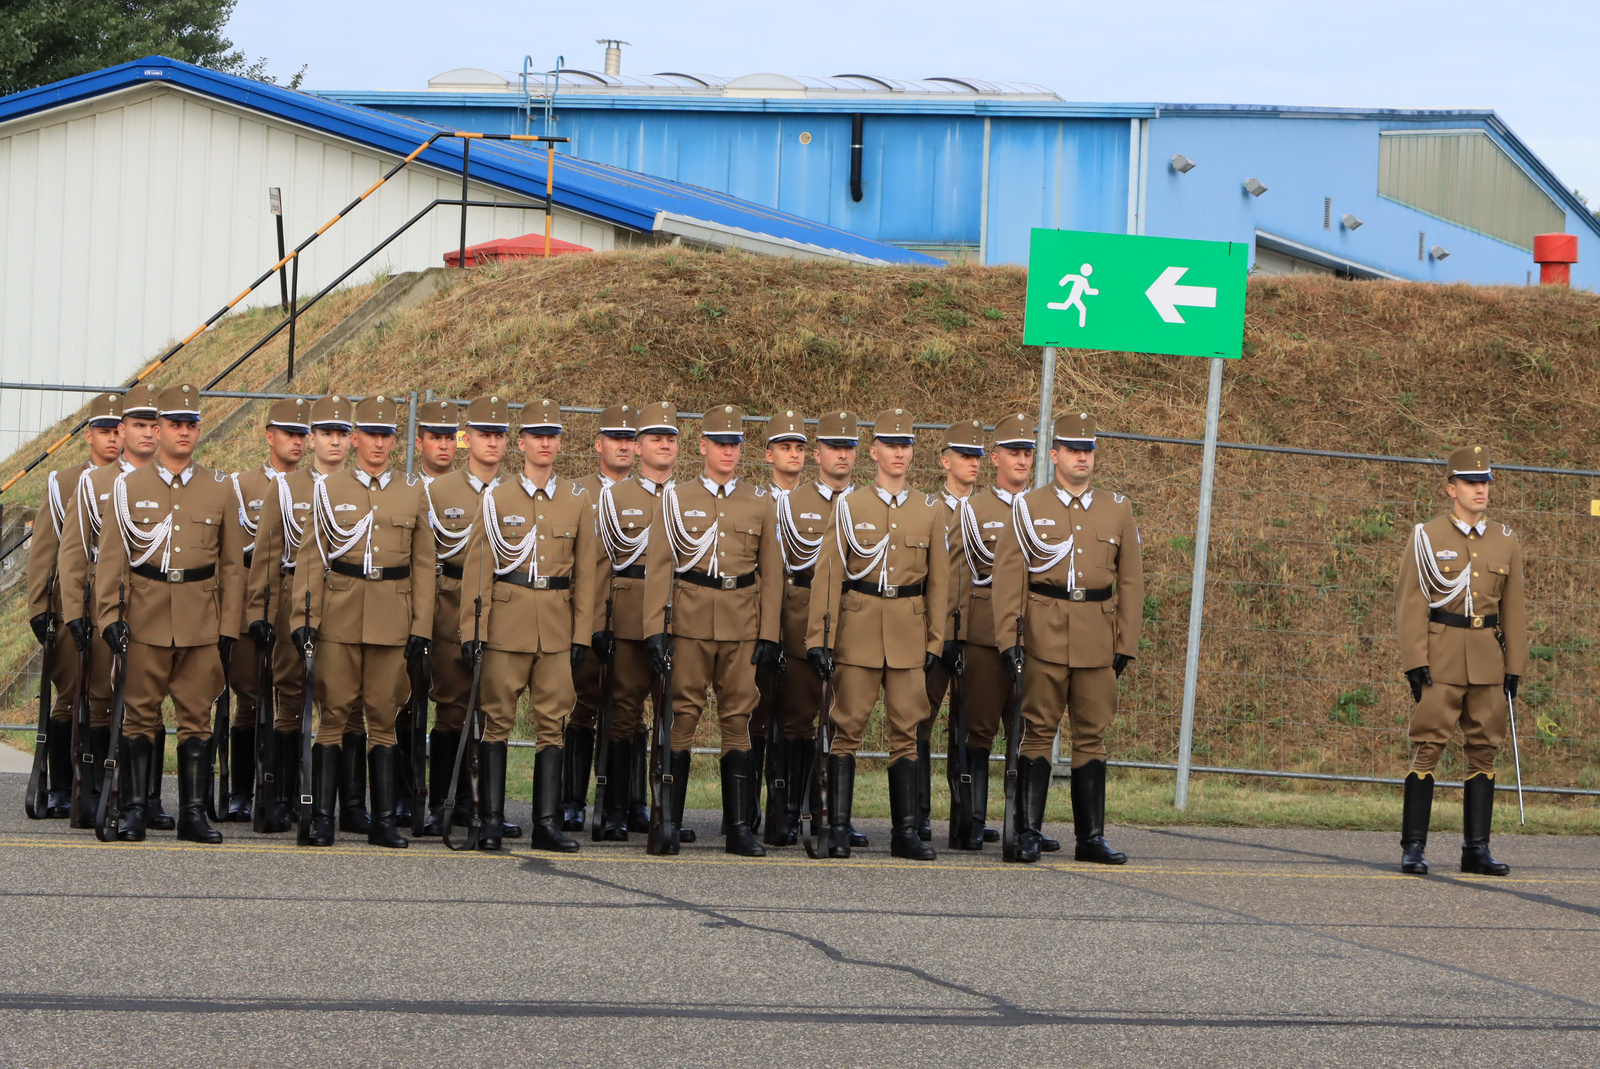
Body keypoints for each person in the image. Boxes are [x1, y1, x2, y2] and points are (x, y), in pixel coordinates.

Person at [95, 383, 247, 844]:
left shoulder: (221, 488)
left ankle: (193, 814)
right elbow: (112, 557)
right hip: (144, 615)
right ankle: (136, 810)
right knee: (140, 715)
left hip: (201, 618)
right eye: (175, 424)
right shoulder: (128, 487)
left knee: (196, 716)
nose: (184, 432)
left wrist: (228, 625)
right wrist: (109, 615)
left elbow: (231, 565)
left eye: (191, 424)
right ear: (156, 429)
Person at [992, 411, 1143, 865]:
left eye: (1088, 450)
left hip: (1098, 634)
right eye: (1073, 450)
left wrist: (1125, 642)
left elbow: (1131, 581)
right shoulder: (1029, 505)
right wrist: (1008, 637)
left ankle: (1091, 838)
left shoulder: (1117, 507)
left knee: (1091, 735)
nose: (1082, 457)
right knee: (1038, 732)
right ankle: (1029, 832)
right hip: (1044, 631)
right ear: (1054, 454)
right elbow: (1009, 577)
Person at [290, 394, 435, 849]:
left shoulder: (413, 491)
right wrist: (304, 616)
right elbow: (311, 558)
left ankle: (384, 822)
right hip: (340, 614)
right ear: (355, 439)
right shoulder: (329, 489)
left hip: (392, 615)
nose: (377, 443)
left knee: (384, 717)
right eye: (369, 434)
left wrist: (422, 625)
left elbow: (424, 564)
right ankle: (322, 819)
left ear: (396, 440)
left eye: (385, 434)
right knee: (333, 715)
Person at [807, 408, 949, 860]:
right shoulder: (849, 506)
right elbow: (828, 574)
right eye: (891, 445)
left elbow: (940, 583)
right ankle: (841, 828)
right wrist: (819, 639)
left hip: (909, 633)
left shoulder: (930, 509)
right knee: (846, 728)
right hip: (859, 628)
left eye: (906, 445)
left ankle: (905, 833)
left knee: (906, 731)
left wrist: (935, 640)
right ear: (873, 453)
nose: (900, 453)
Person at [457, 399, 598, 852]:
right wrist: (472, 631)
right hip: (507, 624)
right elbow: (478, 569)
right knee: (496, 720)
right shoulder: (497, 497)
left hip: (556, 627)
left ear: (560, 443)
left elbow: (587, 575)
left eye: (552, 435)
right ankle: (493, 821)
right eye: (536, 435)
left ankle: (545, 824)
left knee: (552, 723)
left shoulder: (578, 499)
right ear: (520, 443)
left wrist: (581, 634)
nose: (544, 442)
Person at [642, 404, 783, 857]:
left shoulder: (760, 502)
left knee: (738, 719)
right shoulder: (676, 498)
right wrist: (654, 628)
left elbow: (772, 574)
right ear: (702, 446)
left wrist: (769, 633)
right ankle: (669, 823)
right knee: (681, 717)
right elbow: (660, 565)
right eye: (719, 443)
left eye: (734, 444)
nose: (727, 451)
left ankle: (739, 828)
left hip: (741, 622)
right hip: (689, 622)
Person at [1394, 445, 1526, 876]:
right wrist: (1415, 659)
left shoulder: (1505, 540)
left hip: (1488, 657)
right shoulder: (1427, 537)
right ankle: (1413, 847)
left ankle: (1476, 850)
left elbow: (1514, 609)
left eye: (1485, 481)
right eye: (1471, 482)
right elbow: (1411, 603)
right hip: (1442, 654)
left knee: (1484, 751)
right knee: (1429, 746)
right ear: (1451, 487)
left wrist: (1515, 666)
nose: (1480, 489)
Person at [57, 384, 162, 827]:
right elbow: (74, 551)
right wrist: (76, 613)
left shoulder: (173, 483)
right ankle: (98, 793)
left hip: (157, 609)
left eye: (154, 426)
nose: (147, 434)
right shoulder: (94, 482)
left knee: (148, 705)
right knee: (100, 700)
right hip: (106, 606)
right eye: (138, 425)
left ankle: (147, 800)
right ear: (122, 430)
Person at [246, 394, 352, 833]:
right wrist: (259, 610)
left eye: (342, 434)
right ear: (311, 440)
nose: (334, 442)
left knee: (345, 701)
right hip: (295, 599)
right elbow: (267, 555)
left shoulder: (360, 489)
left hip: (347, 601)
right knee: (290, 700)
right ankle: (281, 799)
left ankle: (344, 805)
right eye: (326, 433)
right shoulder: (287, 488)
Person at [413, 396, 518, 837]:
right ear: (466, 439)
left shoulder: (516, 491)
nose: (491, 443)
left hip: (503, 607)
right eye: (483, 434)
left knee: (493, 710)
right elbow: (424, 558)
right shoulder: (438, 492)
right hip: (450, 601)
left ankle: (486, 806)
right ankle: (444, 803)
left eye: (499, 435)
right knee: (452, 707)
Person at [939, 413, 1036, 850]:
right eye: (1013, 452)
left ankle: (1024, 825)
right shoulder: (972, 509)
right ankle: (973, 821)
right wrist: (953, 636)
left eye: (1027, 453)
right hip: (981, 635)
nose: (1021, 460)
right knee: (978, 729)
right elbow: (958, 575)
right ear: (994, 457)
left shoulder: (1044, 509)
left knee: (1028, 729)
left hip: (1035, 636)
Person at [27, 392, 124, 818]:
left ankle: (98, 785)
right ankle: (62, 787)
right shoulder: (65, 482)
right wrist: (39, 607)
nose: (113, 440)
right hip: (71, 604)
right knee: (68, 695)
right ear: (89, 435)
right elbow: (45, 549)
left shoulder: (136, 481)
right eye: (105, 432)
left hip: (113, 605)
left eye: (118, 432)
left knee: (103, 697)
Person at [768, 409, 862, 847]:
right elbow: (779, 571)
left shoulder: (865, 504)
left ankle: (831, 811)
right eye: (833, 447)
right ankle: (789, 812)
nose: (842, 455)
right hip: (804, 613)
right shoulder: (790, 504)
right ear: (818, 453)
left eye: (849, 447)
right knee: (798, 718)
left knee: (843, 718)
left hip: (857, 615)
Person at [591, 402, 677, 839]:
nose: (664, 444)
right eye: (655, 438)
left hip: (678, 615)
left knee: (670, 713)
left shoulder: (691, 497)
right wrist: (597, 622)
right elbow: (599, 564)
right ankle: (614, 811)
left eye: (671, 438)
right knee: (624, 711)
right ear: (638, 447)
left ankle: (659, 812)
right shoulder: (615, 497)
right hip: (627, 611)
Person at [221, 398, 309, 822]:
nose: (297, 441)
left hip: (299, 599)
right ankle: (241, 790)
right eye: (289, 433)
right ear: (269, 435)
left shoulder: (318, 486)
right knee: (249, 698)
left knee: (291, 701)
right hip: (255, 601)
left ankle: (283, 790)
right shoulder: (241, 486)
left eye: (302, 434)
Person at [564, 403, 639, 830]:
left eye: (630, 440)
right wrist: (584, 623)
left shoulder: (656, 494)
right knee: (582, 705)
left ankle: (629, 802)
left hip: (632, 620)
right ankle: (572, 799)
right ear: (599, 444)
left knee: (632, 710)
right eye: (616, 439)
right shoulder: (576, 494)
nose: (624, 446)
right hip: (585, 617)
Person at [918, 419, 985, 842]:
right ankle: (920, 813)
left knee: (971, 725)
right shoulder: (928, 510)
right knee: (920, 722)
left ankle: (970, 819)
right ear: (945, 461)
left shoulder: (991, 510)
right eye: (964, 455)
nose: (973, 463)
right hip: (934, 633)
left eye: (978, 456)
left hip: (977, 632)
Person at [750, 409, 807, 840]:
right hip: (758, 620)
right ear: (768, 454)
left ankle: (787, 812)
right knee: (757, 715)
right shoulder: (754, 501)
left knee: (798, 717)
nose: (794, 454)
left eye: (800, 448)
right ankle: (749, 810)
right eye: (785, 447)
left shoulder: (822, 503)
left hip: (803, 621)